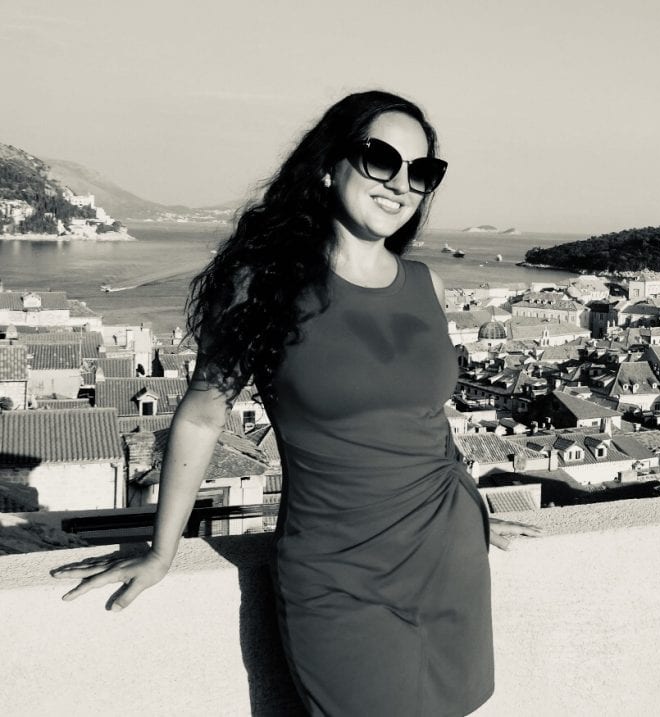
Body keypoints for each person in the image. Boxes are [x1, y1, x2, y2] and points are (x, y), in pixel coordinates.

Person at [52, 90, 541, 716]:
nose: (401, 183)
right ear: (327, 164)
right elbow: (204, 415)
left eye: (421, 172)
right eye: (380, 159)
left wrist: (471, 513)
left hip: (449, 558)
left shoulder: (428, 284)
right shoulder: (262, 284)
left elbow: (425, 421)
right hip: (338, 575)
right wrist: (162, 548)